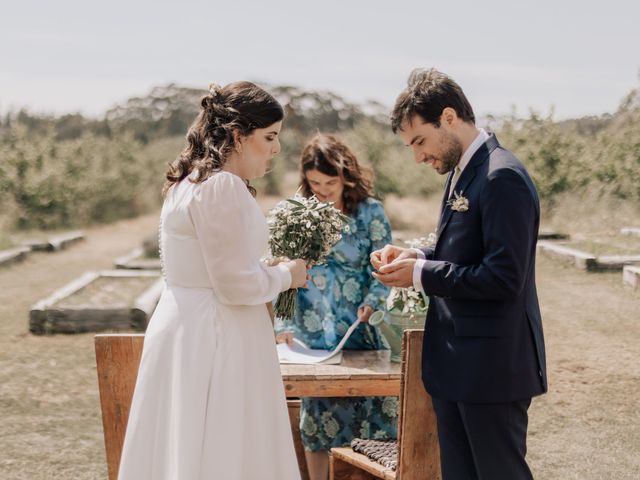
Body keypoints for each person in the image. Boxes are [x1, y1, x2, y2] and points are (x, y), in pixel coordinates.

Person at [118, 81, 308, 480]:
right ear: (238, 136)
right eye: (269, 136)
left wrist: (262, 268)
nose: (276, 148)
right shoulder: (222, 185)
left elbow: (216, 266)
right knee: (224, 446)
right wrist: (287, 275)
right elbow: (234, 286)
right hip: (218, 335)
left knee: (189, 446)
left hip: (186, 326)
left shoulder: (187, 184)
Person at [371, 69, 547, 480]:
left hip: (492, 369)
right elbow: (466, 250)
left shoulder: (502, 176)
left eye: (419, 141)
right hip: (458, 366)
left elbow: (504, 277)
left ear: (448, 117)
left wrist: (421, 274)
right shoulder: (462, 170)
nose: (418, 156)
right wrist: (417, 254)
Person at [275, 134, 397, 480]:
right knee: (317, 426)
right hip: (312, 338)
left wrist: (374, 303)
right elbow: (282, 272)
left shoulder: (370, 212)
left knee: (376, 422)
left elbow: (385, 268)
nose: (323, 190)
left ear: (346, 176)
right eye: (315, 182)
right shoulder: (295, 213)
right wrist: (282, 324)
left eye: (331, 182)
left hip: (362, 333)